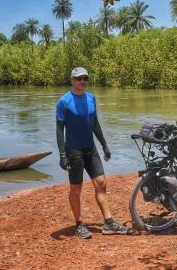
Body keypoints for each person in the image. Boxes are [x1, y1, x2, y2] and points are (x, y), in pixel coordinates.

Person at [55, 67, 131, 239]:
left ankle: (109, 223)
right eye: (79, 78)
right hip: (73, 151)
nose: (82, 81)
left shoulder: (91, 98)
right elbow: (60, 131)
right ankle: (79, 224)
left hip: (90, 148)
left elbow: (94, 123)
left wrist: (104, 145)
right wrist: (62, 155)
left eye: (85, 79)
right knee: (76, 189)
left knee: (101, 182)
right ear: (72, 80)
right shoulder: (64, 102)